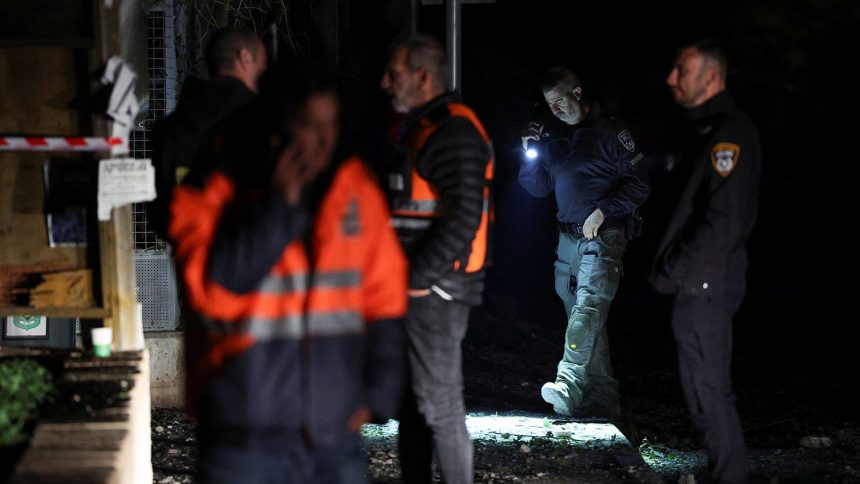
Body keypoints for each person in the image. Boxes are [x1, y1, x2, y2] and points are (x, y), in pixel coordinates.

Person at [169, 63, 408, 484]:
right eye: (310, 125)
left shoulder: (354, 187)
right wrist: (279, 206)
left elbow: (385, 297)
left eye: (330, 124)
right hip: (243, 438)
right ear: (276, 126)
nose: (323, 139)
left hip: (333, 435)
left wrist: (379, 394)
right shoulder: (214, 187)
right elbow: (212, 290)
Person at [380, 34, 493, 484]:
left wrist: (418, 279)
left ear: (422, 76)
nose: (384, 81)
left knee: (440, 405)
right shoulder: (428, 127)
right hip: (424, 288)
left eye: (395, 73)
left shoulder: (453, 131)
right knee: (417, 402)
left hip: (436, 292)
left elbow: (465, 213)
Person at [649, 40, 762, 484]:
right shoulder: (707, 130)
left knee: (708, 394)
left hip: (705, 285)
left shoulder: (727, 134)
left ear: (710, 77)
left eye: (681, 69)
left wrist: (672, 271)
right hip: (702, 283)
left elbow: (722, 224)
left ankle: (730, 477)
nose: (670, 78)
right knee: (705, 392)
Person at [519, 67, 650, 419]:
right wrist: (529, 151)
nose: (556, 110)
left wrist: (604, 211)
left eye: (560, 101)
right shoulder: (556, 137)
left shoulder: (611, 132)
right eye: (549, 104)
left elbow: (640, 184)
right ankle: (603, 397)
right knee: (583, 317)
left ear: (576, 93)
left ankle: (568, 383)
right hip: (567, 239)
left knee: (588, 310)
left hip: (602, 236)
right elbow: (537, 188)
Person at [149, 25, 267, 239]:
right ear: (245, 57)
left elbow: (159, 217)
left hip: (192, 258)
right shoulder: (264, 121)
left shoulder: (166, 131)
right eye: (263, 63)